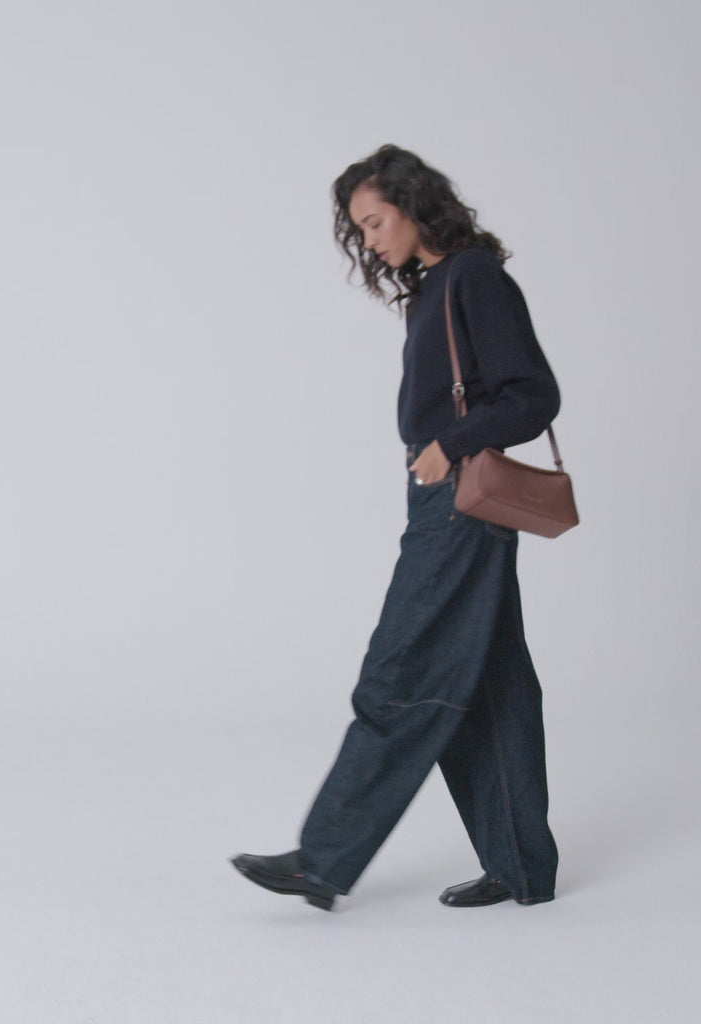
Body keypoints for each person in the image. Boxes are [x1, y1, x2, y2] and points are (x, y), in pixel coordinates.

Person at [231, 144, 561, 912]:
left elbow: (532, 396)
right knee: (490, 689)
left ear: (415, 205)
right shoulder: (433, 288)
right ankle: (522, 869)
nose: (370, 239)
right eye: (360, 229)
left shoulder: (472, 278)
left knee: (401, 672)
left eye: (376, 221)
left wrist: (449, 442)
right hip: (440, 498)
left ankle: (322, 861)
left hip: (460, 500)